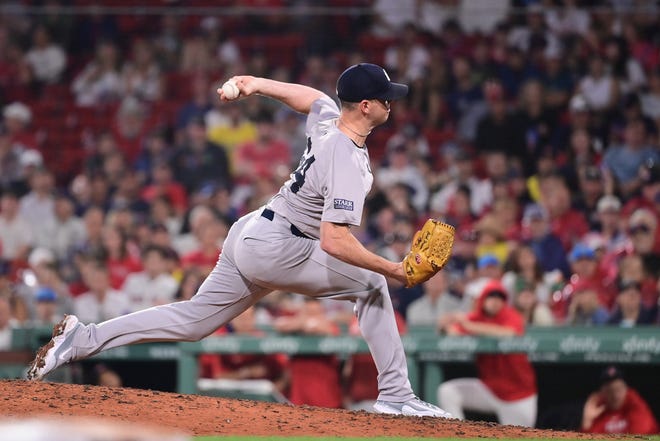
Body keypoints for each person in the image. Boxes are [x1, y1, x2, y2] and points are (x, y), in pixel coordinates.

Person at [27, 63, 452, 417]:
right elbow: (334, 242)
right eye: (384, 97)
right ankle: (397, 396)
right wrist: (394, 269)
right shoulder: (344, 156)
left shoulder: (330, 120)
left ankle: (83, 339)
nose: (390, 102)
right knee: (374, 286)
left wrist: (253, 84)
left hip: (254, 230)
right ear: (365, 106)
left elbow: (312, 98)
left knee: (194, 321)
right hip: (280, 245)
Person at [437, 280, 538, 427]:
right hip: (490, 389)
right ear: (482, 299)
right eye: (491, 296)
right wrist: (445, 325)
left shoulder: (511, 316)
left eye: (499, 297)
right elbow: (454, 331)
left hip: (519, 395)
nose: (495, 301)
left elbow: (509, 333)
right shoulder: (476, 317)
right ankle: (458, 435)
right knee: (447, 392)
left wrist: (469, 326)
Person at [581, 366, 659, 434]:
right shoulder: (598, 412)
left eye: (618, 389)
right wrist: (587, 422)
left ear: (626, 389)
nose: (615, 395)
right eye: (610, 391)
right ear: (602, 393)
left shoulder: (635, 404)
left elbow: (641, 433)